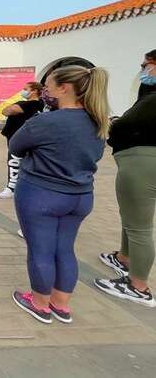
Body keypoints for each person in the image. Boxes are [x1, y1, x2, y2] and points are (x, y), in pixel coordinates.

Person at [10, 65, 109, 324]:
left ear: (64, 88)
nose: (45, 90)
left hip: (41, 194)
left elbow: (15, 146)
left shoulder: (45, 121)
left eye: (48, 86)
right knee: (65, 248)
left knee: (41, 249)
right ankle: (61, 304)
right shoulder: (98, 121)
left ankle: (40, 304)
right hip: (80, 196)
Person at [95, 53, 156, 307]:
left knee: (140, 226)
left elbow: (123, 125)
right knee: (132, 217)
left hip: (141, 162)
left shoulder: (152, 100)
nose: (142, 70)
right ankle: (124, 258)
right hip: (139, 161)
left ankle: (138, 285)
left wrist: (114, 123)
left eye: (146, 65)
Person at [0, 82, 44, 199]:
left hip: (20, 138)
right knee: (18, 161)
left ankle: (11, 188)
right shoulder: (26, 103)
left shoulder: (34, 104)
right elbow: (4, 111)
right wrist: (11, 108)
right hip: (14, 136)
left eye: (25, 89)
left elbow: (9, 110)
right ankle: (19, 187)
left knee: (14, 161)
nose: (23, 91)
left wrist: (12, 107)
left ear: (34, 91)